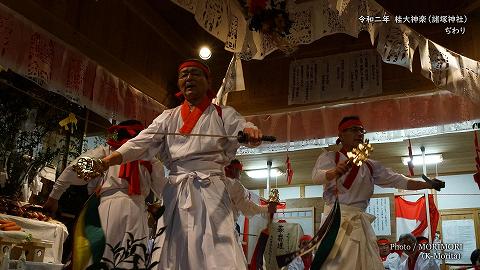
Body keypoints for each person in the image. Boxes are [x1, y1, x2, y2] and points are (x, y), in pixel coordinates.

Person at [96, 59, 264, 269]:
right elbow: (141, 142)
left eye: (195, 74)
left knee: (219, 247)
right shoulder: (168, 117)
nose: (188, 79)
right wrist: (108, 161)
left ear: (207, 80)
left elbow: (242, 127)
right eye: (183, 75)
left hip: (211, 187)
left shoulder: (223, 114)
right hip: (176, 190)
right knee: (172, 247)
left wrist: (250, 132)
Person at [311, 116, 445, 270]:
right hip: (335, 221)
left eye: (362, 131)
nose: (359, 134)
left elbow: (398, 180)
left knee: (366, 263)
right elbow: (316, 176)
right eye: (354, 130)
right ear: (341, 135)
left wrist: (427, 185)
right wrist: (333, 172)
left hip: (359, 221)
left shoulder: (370, 166)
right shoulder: (330, 157)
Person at [43, 120, 165, 268]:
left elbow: (72, 169)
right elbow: (162, 190)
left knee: (101, 255)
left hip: (108, 207)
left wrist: (54, 197)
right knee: (131, 257)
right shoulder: (151, 160)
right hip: (137, 211)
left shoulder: (106, 152)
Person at [224, 159, 276, 265]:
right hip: (226, 230)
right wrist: (266, 208)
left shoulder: (214, 183)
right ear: (233, 169)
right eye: (239, 171)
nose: (240, 174)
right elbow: (247, 207)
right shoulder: (235, 185)